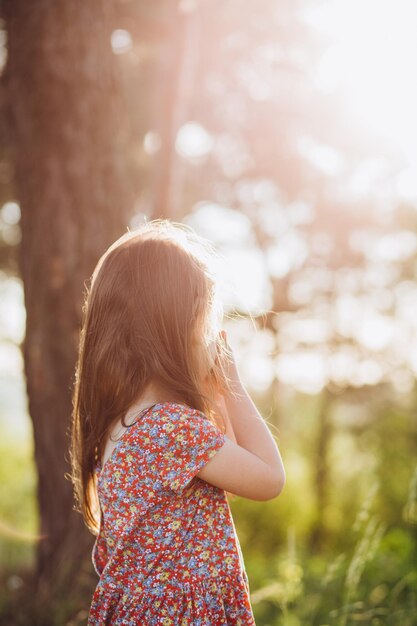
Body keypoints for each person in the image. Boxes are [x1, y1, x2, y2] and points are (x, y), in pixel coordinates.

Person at [69, 218, 286, 625]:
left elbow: (230, 471)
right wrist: (232, 382)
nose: (211, 338)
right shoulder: (173, 428)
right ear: (175, 328)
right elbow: (269, 478)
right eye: (205, 323)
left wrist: (214, 393)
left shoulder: (126, 424)